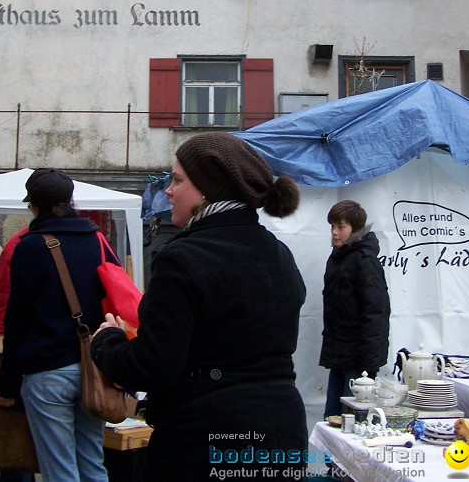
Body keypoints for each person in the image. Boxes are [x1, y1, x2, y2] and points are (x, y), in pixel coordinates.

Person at [91, 132, 308, 480]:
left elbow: (152, 367)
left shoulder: (183, 258)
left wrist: (107, 342)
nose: (168, 190)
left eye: (177, 180)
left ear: (208, 190)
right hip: (281, 429)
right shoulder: (278, 253)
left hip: (206, 437)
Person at [0, 168, 112, 482]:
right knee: (92, 464)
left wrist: (6, 385)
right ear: (71, 201)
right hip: (95, 367)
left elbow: (16, 321)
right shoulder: (98, 240)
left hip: (47, 371)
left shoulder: (29, 248)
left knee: (60, 471)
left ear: (33, 205)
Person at [319, 199, 391, 418]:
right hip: (339, 355)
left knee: (352, 420)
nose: (334, 232)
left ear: (356, 229)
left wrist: (368, 366)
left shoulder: (365, 261)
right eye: (332, 226)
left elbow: (376, 313)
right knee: (332, 417)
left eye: (341, 227)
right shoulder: (337, 258)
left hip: (358, 361)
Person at [0, 226, 29, 337]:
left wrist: (0, 334)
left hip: (31, 340)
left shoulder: (18, 244)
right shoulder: (82, 240)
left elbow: (4, 295)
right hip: (75, 342)